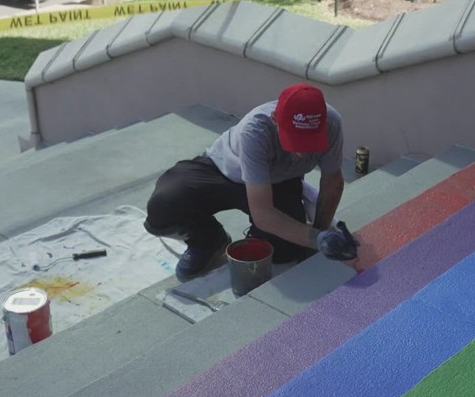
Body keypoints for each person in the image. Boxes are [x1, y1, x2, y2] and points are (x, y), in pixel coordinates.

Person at [144, 82, 359, 280]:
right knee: (164, 206)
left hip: (278, 181)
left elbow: (333, 183)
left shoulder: (331, 123)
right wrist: (318, 239)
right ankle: (209, 242)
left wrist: (320, 235)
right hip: (223, 170)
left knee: (284, 251)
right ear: (276, 120)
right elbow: (263, 214)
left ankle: (264, 239)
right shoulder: (255, 130)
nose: (303, 152)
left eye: (310, 142)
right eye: (295, 140)